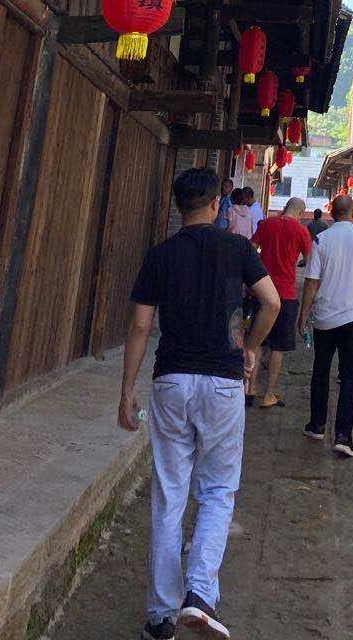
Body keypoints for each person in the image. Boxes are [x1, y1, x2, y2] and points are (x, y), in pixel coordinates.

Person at [120, 167, 281, 640]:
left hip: (171, 380)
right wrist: (251, 347)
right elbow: (271, 302)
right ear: (216, 205)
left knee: (170, 494)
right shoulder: (238, 249)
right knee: (217, 490)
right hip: (223, 384)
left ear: (178, 206)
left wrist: (126, 391)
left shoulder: (159, 255)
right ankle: (200, 593)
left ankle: (160, 616)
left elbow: (140, 326)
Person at [297, 192, 353, 458]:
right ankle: (343, 436)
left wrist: (303, 314)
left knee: (321, 371)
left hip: (326, 317)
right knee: (350, 376)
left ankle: (317, 425)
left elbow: (311, 282)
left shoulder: (321, 240)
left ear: (331, 213)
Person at [251, 197, 313, 408]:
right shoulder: (301, 231)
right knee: (278, 347)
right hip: (286, 295)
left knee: (257, 342)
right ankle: (268, 394)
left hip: (261, 291)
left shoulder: (266, 224)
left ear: (285, 207)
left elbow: (251, 249)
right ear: (300, 213)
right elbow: (310, 260)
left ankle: (250, 388)